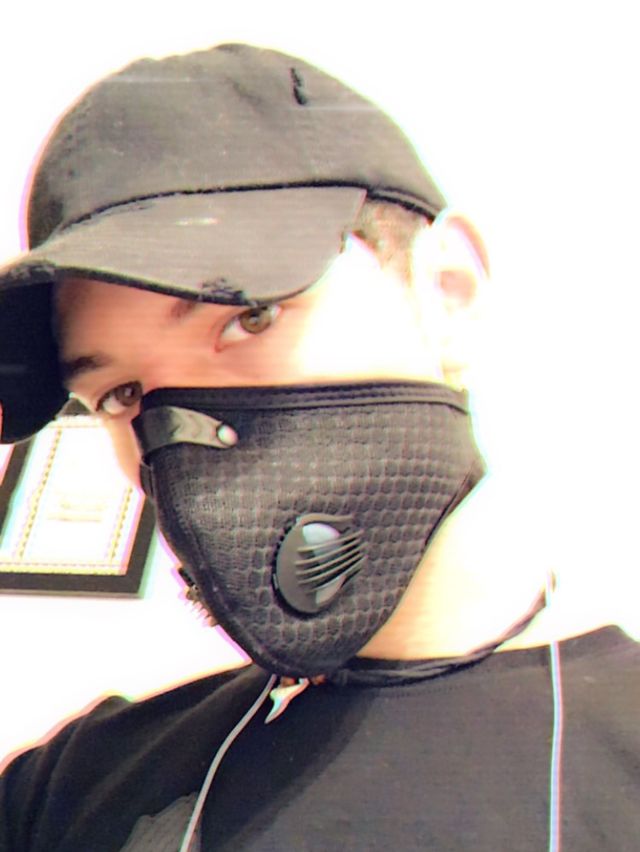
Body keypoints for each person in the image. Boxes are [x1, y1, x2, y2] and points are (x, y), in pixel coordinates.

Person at [0, 42, 638, 852]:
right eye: (122, 395)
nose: (182, 434)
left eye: (250, 317)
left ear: (448, 292)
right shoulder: (71, 791)